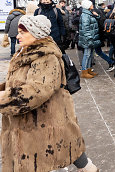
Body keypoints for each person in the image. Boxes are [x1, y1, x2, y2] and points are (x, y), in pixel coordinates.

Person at [0, 15, 98, 172]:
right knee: (66, 148)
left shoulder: (45, 57)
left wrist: (4, 99)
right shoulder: (25, 51)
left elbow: (36, 91)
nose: (17, 36)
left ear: (36, 33)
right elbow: (19, 81)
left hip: (41, 122)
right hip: (35, 121)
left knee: (49, 157)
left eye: (22, 32)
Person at [78, 0, 101, 79]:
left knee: (90, 54)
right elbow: (85, 28)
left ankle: (88, 70)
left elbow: (97, 20)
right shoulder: (85, 15)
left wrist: (96, 15)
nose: (93, 6)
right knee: (87, 54)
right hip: (88, 38)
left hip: (90, 37)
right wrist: (89, 38)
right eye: (91, 5)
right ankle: (84, 71)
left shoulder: (89, 13)